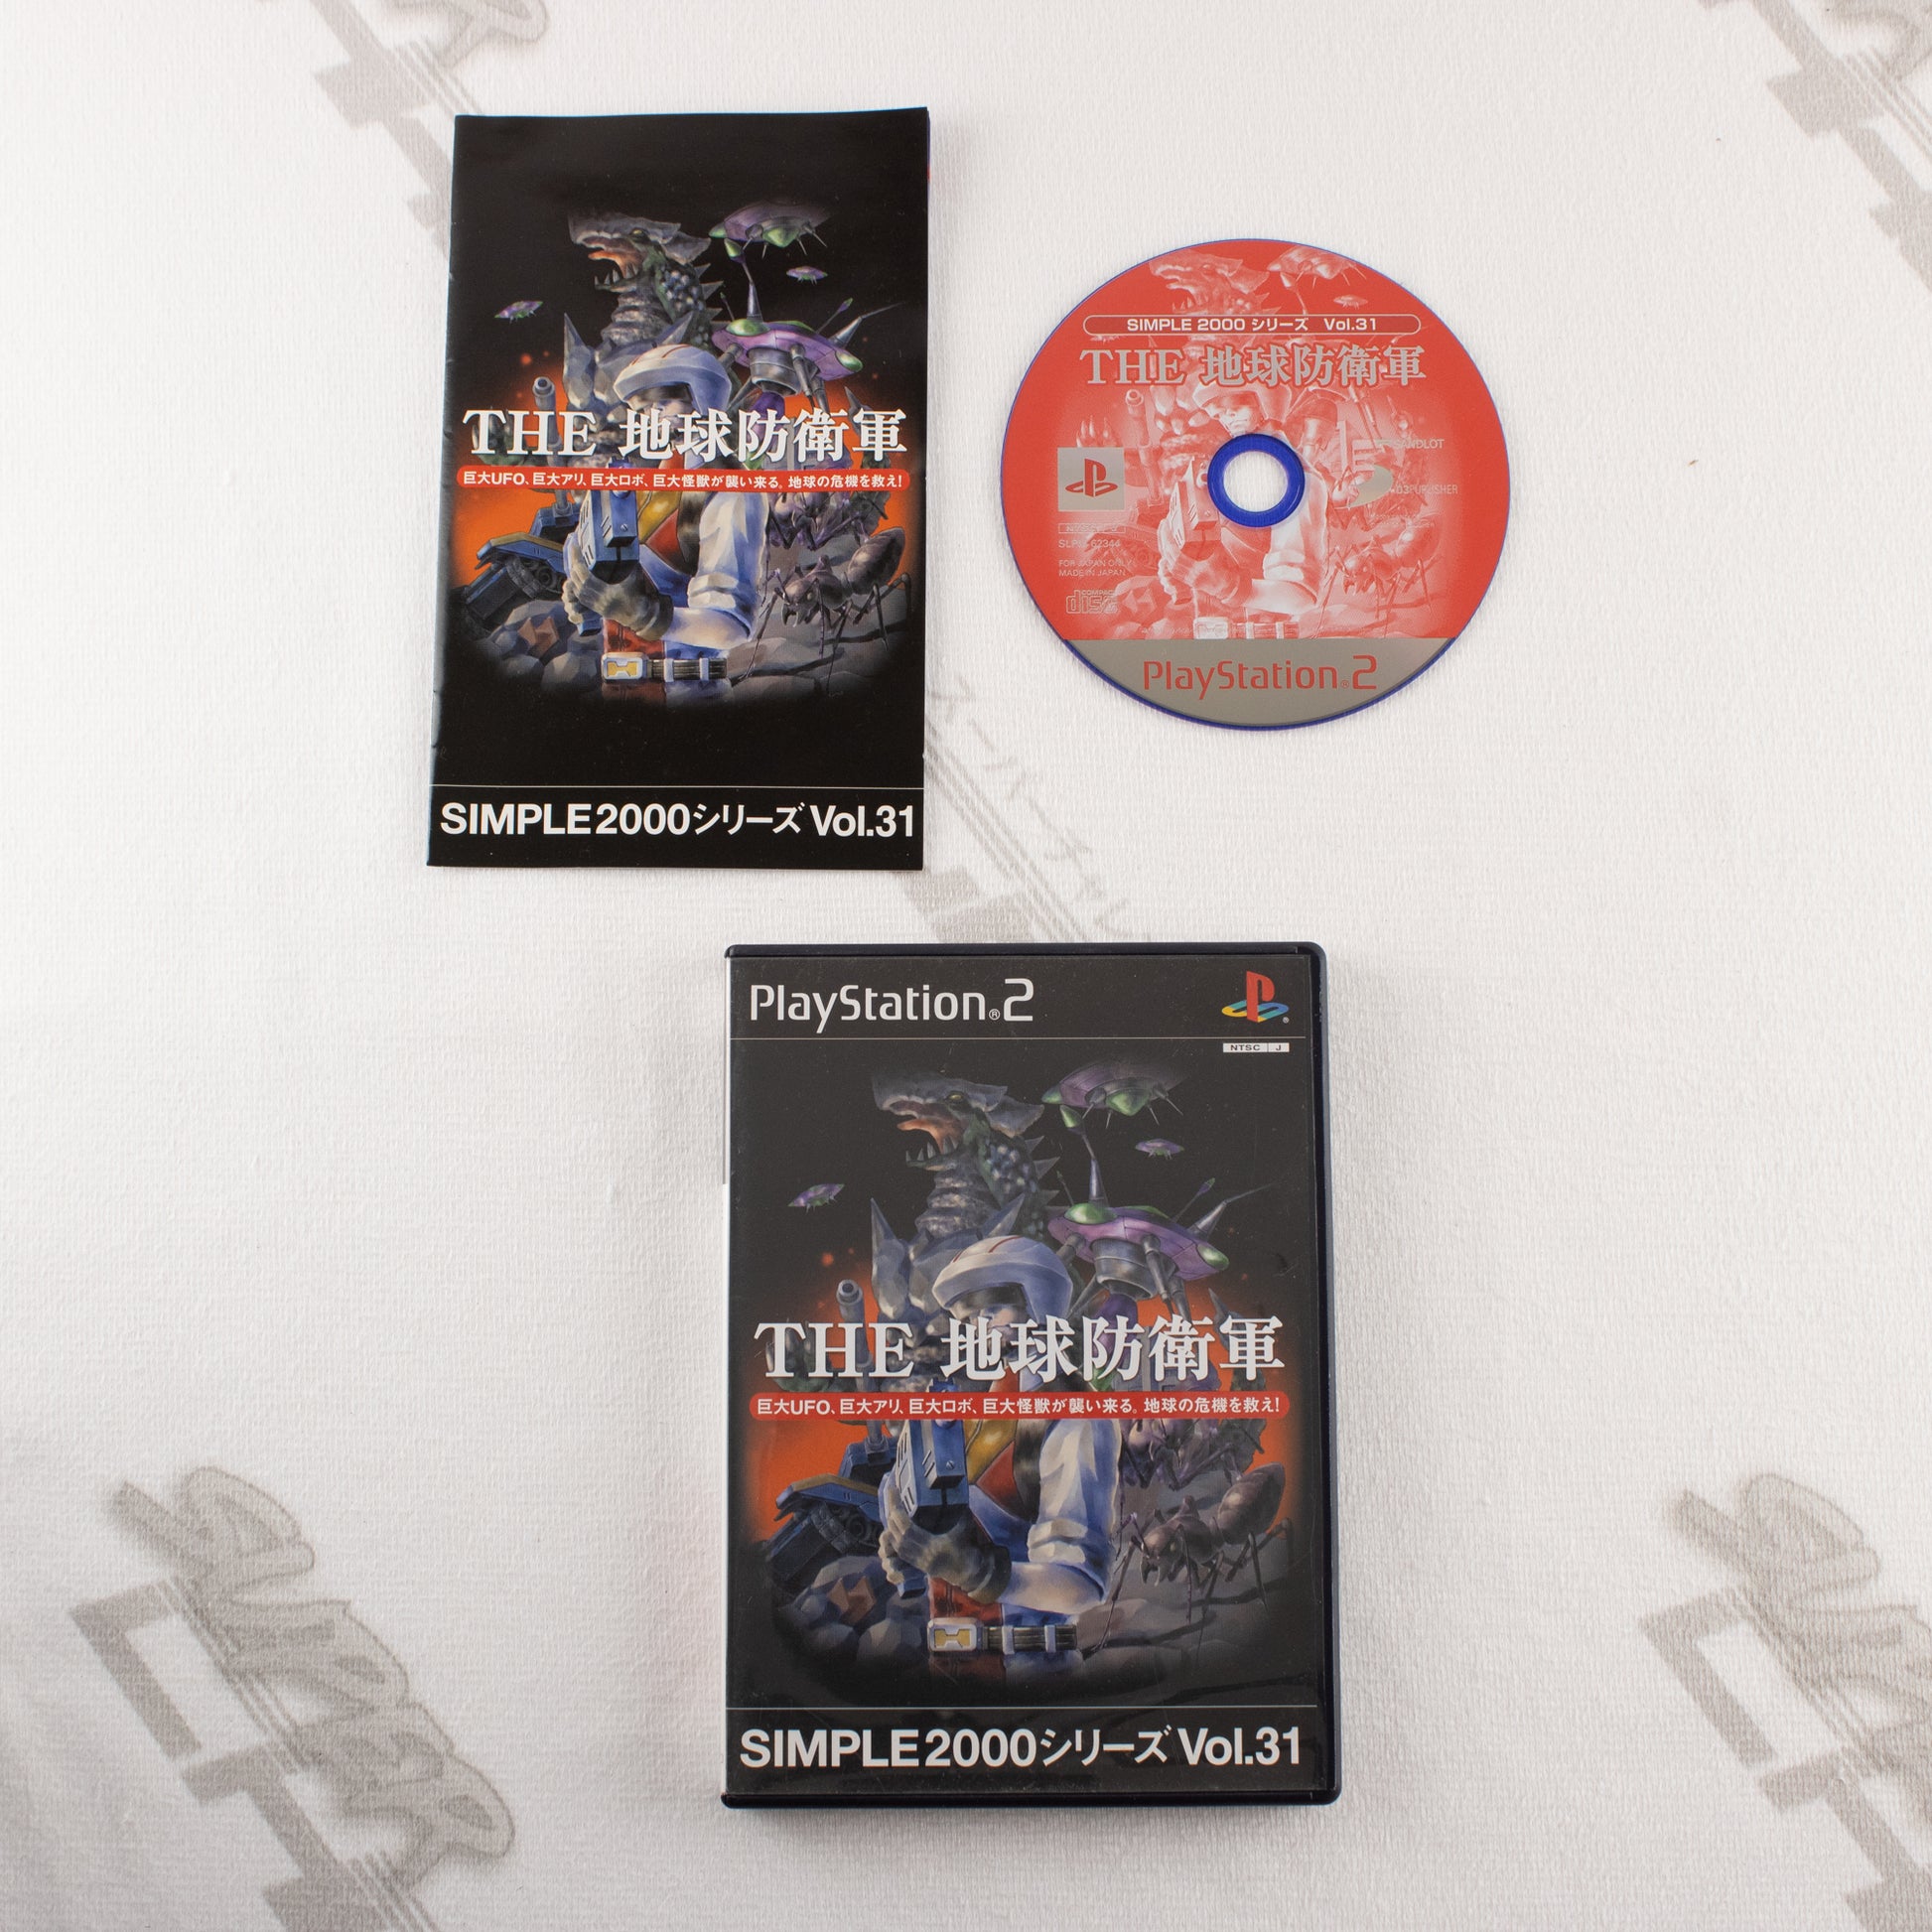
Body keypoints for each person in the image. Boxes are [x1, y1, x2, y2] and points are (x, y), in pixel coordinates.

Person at [878, 1235, 1121, 1675]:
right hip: (950, 1666)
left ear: (1037, 1304)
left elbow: (1080, 1584)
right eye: (971, 1316)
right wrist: (908, 1546)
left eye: (993, 1309)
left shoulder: (1073, 1415)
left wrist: (977, 1571)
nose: (980, 1327)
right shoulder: (975, 1415)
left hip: (1032, 1670)